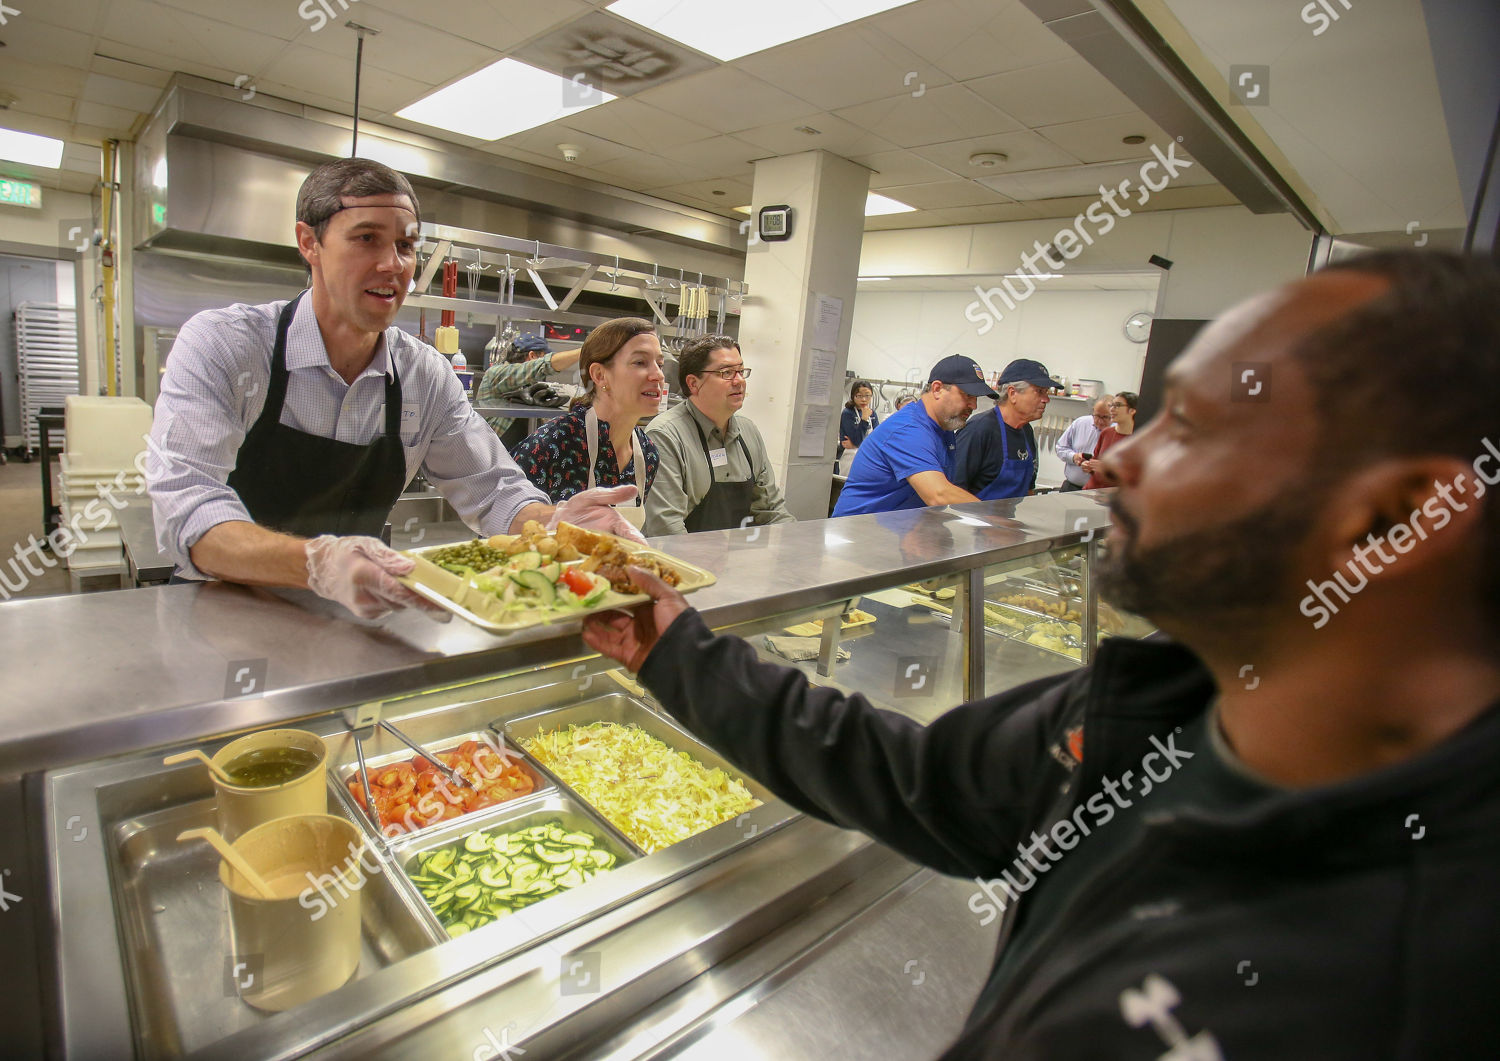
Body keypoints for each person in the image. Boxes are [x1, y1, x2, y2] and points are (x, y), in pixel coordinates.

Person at [581, 250, 1500, 1058]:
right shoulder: (1160, 711)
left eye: (1192, 426)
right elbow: (909, 771)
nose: (1117, 463)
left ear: (1391, 519)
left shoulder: (1417, 978)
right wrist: (674, 651)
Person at [147, 157, 640, 621]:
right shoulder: (226, 346)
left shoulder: (423, 375)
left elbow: (492, 489)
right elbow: (189, 506)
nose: (393, 265)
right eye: (366, 238)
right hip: (217, 612)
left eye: (406, 246)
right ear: (309, 242)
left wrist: (552, 523)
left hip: (350, 616)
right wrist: (316, 562)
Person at [509, 317, 665, 524]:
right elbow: (500, 529)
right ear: (600, 375)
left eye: (660, 364)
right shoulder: (549, 445)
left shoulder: (647, 453)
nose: (658, 375)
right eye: (640, 362)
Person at [643, 335, 794, 536]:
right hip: (683, 561)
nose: (739, 381)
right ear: (693, 383)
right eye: (726, 373)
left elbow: (771, 509)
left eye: (741, 371)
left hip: (735, 559)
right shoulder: (666, 436)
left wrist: (797, 546)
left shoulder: (748, 432)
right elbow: (665, 527)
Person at [831, 355, 997, 517]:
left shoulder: (943, 429)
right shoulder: (909, 429)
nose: (974, 405)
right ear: (937, 389)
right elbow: (938, 494)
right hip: (859, 534)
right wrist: (992, 520)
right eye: (967, 395)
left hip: (896, 531)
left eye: (975, 398)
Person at [952, 358, 1060, 501]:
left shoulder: (1026, 432)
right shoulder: (979, 430)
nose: (1046, 399)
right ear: (1013, 393)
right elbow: (953, 489)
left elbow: (1028, 490)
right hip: (974, 520)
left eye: (1046, 393)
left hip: (1012, 520)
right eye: (1039, 391)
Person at [475, 333, 581, 451]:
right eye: (543, 355)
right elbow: (544, 365)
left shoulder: (529, 384)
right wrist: (583, 351)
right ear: (532, 356)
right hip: (491, 451)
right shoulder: (496, 374)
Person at [1056, 397, 1112, 491]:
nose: (1100, 421)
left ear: (1113, 414)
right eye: (1097, 416)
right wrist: (1073, 457)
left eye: (1105, 417)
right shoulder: (1080, 423)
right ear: (1093, 412)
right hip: (1071, 487)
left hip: (1100, 492)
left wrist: (1101, 467)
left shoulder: (1118, 433)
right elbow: (1060, 448)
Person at [1084, 391, 1138, 488]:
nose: (1112, 409)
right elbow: (1095, 462)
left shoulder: (1137, 440)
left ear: (1132, 410)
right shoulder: (1106, 433)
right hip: (1091, 491)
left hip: (1114, 496)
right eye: (1112, 405)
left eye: (1117, 405)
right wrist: (1088, 466)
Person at [837, 379, 879, 474]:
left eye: (867, 396)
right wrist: (864, 419)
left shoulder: (872, 414)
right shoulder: (848, 413)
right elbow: (857, 439)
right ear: (853, 396)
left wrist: (856, 446)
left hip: (868, 457)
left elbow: (877, 439)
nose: (864, 399)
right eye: (859, 396)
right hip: (850, 459)